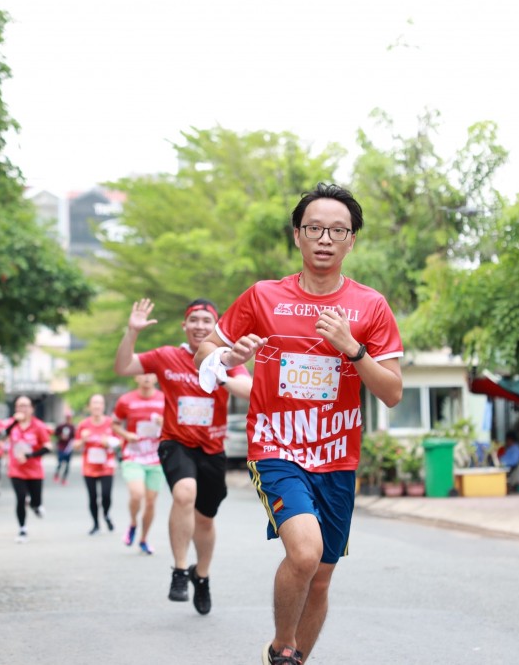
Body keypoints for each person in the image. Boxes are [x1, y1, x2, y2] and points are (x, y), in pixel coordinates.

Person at [194, 183, 404, 664]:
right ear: (297, 235)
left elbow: (391, 392)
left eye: (338, 230)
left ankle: (292, 660)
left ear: (351, 240)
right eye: (314, 228)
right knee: (305, 553)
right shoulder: (264, 296)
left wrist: (353, 348)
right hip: (277, 448)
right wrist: (230, 354)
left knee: (323, 574)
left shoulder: (370, 307)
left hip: (337, 455)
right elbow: (208, 349)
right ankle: (281, 646)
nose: (325, 238)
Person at [114, 297, 252, 616]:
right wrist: (131, 332)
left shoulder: (226, 358)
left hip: (212, 448)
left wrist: (221, 375)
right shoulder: (167, 356)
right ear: (185, 325)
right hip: (176, 442)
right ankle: (179, 569)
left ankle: (200, 576)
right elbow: (123, 366)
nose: (200, 326)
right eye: (195, 320)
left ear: (216, 327)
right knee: (183, 493)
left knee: (205, 519)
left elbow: (249, 388)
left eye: (207, 321)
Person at [112, 372, 165, 555]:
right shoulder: (126, 400)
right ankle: (133, 523)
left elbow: (176, 425)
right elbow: (115, 424)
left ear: (156, 378)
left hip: (156, 457)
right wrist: (127, 435)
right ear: (136, 378)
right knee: (137, 495)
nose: (146, 378)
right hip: (133, 455)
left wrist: (164, 422)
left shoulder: (164, 399)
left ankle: (144, 538)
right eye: (142, 374)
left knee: (150, 503)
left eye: (151, 374)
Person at [3, 396, 52, 543]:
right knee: (20, 498)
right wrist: (14, 422)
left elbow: (48, 447)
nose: (22, 409)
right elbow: (1, 436)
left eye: (25, 406)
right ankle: (22, 529)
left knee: (36, 501)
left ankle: (35, 506)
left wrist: (30, 455)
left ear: (31, 409)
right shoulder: (12, 425)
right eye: (19, 406)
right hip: (16, 469)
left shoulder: (39, 426)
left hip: (34, 470)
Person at [74, 393, 119, 535]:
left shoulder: (110, 423)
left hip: (107, 466)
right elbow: (75, 446)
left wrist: (109, 443)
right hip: (89, 467)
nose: (97, 406)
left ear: (103, 406)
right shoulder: (83, 425)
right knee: (92, 497)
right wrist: (82, 440)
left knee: (106, 495)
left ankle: (106, 514)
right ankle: (95, 524)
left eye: (100, 403)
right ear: (90, 406)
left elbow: (119, 442)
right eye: (94, 403)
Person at [53, 411, 76, 484]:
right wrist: (61, 436)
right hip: (61, 447)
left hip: (68, 448)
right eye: (67, 417)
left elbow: (75, 436)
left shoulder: (72, 427)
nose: (68, 419)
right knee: (60, 463)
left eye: (69, 417)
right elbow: (55, 433)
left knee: (67, 464)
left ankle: (64, 479)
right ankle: (56, 474)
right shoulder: (61, 426)